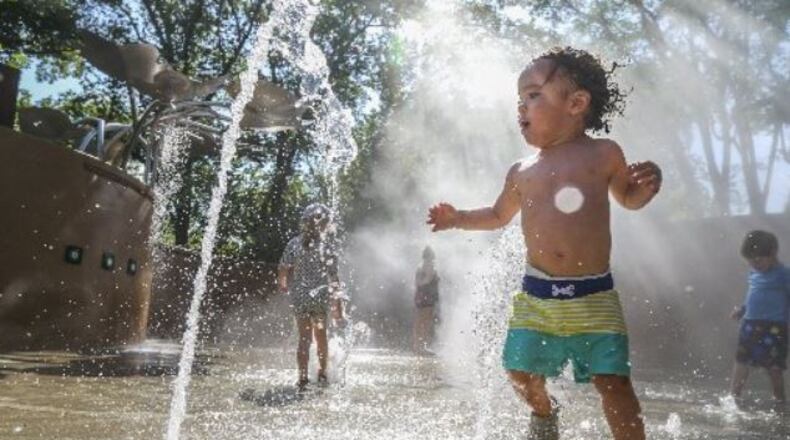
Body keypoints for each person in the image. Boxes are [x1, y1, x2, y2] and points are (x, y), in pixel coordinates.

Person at [427, 47, 662, 440]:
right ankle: (545, 413)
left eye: (533, 95)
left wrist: (646, 188)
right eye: (519, 100)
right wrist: (459, 219)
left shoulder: (604, 153)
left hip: (594, 298)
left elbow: (628, 199)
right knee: (519, 373)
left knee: (615, 385)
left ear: (576, 102)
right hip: (537, 297)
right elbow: (499, 215)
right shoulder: (522, 171)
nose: (522, 107)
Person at [278, 203, 345, 391]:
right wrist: (338, 304)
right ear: (323, 224)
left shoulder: (294, 243)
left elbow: (283, 266)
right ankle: (323, 373)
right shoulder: (326, 247)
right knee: (321, 335)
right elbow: (334, 278)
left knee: (304, 338)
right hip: (320, 296)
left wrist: (282, 283)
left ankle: (302, 377)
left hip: (300, 295)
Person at [730, 230, 790, 407]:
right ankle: (733, 398)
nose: (754, 264)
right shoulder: (753, 274)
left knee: (774, 368)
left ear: (772, 254)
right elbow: (753, 296)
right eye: (750, 260)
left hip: (774, 328)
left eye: (758, 260)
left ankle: (780, 402)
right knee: (741, 362)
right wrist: (742, 310)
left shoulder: (784, 275)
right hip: (749, 325)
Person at [413, 245, 440, 355]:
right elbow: (427, 279)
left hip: (419, 296)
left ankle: (417, 346)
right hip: (428, 296)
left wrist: (420, 285)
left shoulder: (419, 266)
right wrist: (433, 279)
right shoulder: (430, 266)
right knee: (426, 321)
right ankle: (423, 346)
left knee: (419, 321)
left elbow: (417, 282)